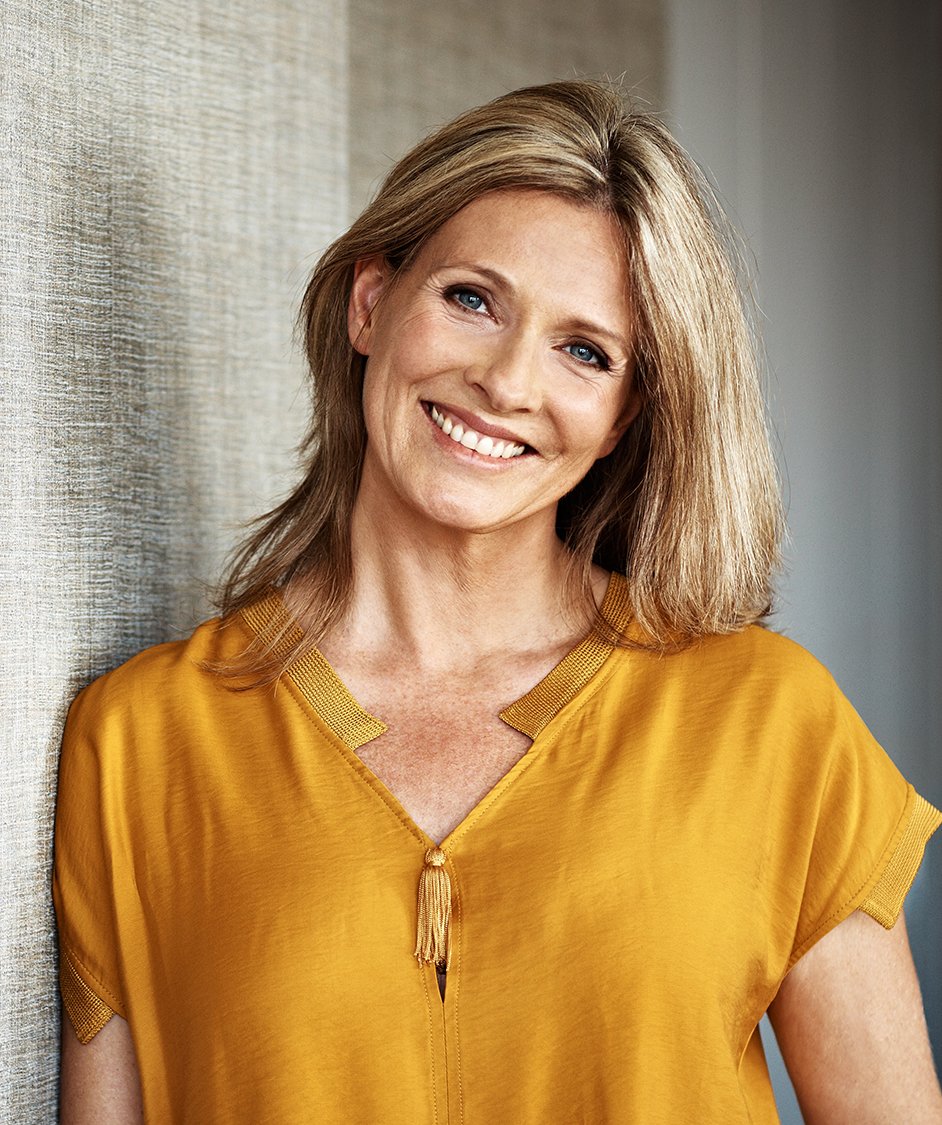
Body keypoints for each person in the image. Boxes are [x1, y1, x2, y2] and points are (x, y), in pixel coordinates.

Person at [54, 80, 942, 1123]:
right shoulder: (142, 741)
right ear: (371, 303)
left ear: (622, 418)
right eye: (472, 299)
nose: (509, 382)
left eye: (585, 352)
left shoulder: (771, 722)